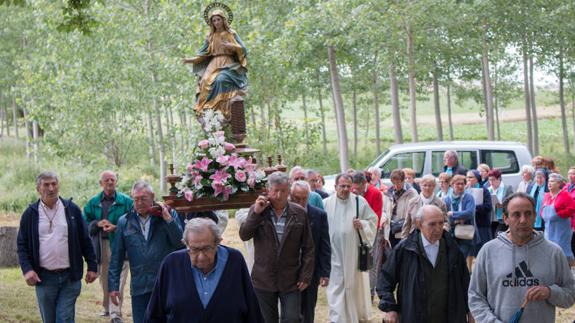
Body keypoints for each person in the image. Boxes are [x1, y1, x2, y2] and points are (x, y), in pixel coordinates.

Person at [468, 192, 575, 322]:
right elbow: (475, 296)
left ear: (535, 216)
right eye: (516, 215)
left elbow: (570, 295)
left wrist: (550, 292)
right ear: (505, 218)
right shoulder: (488, 251)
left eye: (528, 214)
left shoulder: (553, 252)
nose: (523, 220)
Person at [144, 218, 264, 323]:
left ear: (217, 243)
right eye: (195, 249)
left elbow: (252, 312)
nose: (201, 257)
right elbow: (154, 314)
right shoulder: (170, 264)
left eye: (207, 248)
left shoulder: (234, 261)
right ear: (186, 245)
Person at [17, 171, 98, 323]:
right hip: (44, 278)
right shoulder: (30, 214)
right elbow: (22, 245)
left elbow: (85, 240)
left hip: (70, 276)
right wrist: (27, 270)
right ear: (38, 189)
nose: (51, 188)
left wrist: (92, 266)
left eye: (54, 184)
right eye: (46, 184)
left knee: (64, 318)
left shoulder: (71, 209)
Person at [239, 171, 314, 323]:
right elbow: (244, 235)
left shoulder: (299, 213)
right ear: (268, 190)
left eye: (283, 191)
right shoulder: (259, 209)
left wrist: (305, 275)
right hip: (263, 278)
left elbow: (308, 247)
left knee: (292, 318)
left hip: (291, 278)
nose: (279, 195)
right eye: (275, 191)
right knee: (266, 320)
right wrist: (256, 213)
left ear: (289, 191)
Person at [378, 204, 471, 323]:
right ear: (419, 224)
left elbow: (465, 282)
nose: (438, 229)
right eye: (432, 224)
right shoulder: (405, 249)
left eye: (441, 223)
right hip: (414, 315)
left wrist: (470, 310)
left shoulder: (452, 248)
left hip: (448, 316)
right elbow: (385, 280)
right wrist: (390, 308)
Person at [108, 181, 183, 323]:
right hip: (139, 287)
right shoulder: (124, 221)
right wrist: (113, 287)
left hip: (165, 285)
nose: (139, 203)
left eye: (143, 198)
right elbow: (116, 257)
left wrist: (168, 219)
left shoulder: (167, 215)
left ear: (153, 196)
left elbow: (180, 244)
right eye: (135, 199)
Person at [323, 173, 377, 323]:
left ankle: (353, 317)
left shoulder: (360, 202)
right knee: (336, 286)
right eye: (342, 186)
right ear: (335, 187)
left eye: (348, 186)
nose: (346, 189)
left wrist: (363, 225)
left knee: (353, 287)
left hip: (353, 253)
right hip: (334, 253)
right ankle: (338, 318)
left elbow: (372, 221)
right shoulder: (326, 203)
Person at [83, 170, 133, 322]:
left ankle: (115, 314)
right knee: (105, 278)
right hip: (102, 245)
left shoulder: (127, 201)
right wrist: (97, 224)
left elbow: (133, 223)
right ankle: (107, 308)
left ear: (116, 182)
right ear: (101, 183)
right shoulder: (93, 202)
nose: (110, 182)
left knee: (119, 278)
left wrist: (116, 227)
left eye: (112, 179)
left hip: (121, 244)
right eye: (106, 180)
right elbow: (84, 224)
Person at [182, 7, 248, 120]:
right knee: (204, 82)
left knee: (220, 79)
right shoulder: (210, 36)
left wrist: (232, 46)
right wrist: (190, 60)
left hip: (227, 63)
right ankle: (206, 110)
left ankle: (223, 109)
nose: (216, 22)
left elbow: (244, 49)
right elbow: (203, 54)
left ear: (223, 20)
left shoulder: (231, 33)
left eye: (218, 19)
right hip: (214, 63)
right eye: (214, 20)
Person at [290, 180, 331, 323]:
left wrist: (325, 272)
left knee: (308, 308)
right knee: (291, 311)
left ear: (309, 196)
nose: (301, 202)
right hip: (289, 270)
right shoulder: (285, 213)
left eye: (304, 198)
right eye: (297, 198)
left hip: (311, 271)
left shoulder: (319, 215)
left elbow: (325, 245)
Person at [541, 173, 575, 270]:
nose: (549, 183)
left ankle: (566, 272)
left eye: (552, 181)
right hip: (548, 229)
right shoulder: (547, 195)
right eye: (549, 181)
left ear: (559, 183)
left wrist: (559, 214)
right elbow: (542, 209)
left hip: (561, 229)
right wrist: (542, 214)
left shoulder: (565, 195)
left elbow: (572, 209)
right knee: (549, 251)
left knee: (562, 251)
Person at [443, 174, 476, 272]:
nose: (460, 186)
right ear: (452, 185)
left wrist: (453, 214)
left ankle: (463, 279)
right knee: (452, 258)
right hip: (452, 232)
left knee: (461, 257)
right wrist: (459, 217)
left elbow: (469, 213)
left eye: (462, 184)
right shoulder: (447, 199)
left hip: (465, 233)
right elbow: (445, 215)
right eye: (458, 184)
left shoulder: (469, 197)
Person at [383, 169, 418, 248]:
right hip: (391, 231)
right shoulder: (389, 192)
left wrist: (410, 234)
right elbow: (385, 211)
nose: (395, 186)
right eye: (393, 183)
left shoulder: (412, 193)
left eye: (398, 183)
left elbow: (415, 216)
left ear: (404, 181)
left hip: (405, 232)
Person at [465, 170, 493, 260]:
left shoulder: (484, 190)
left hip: (481, 225)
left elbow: (488, 207)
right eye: (467, 177)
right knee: (470, 251)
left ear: (477, 179)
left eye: (470, 177)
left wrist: (474, 208)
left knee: (483, 251)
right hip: (469, 225)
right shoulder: (464, 190)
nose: (468, 179)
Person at [488, 169, 514, 236]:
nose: (491, 182)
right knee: (491, 237)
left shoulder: (507, 188)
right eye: (489, 180)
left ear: (499, 179)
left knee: (498, 236)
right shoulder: (488, 189)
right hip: (491, 218)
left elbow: (512, 202)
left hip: (502, 218)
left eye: (493, 180)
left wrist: (503, 205)